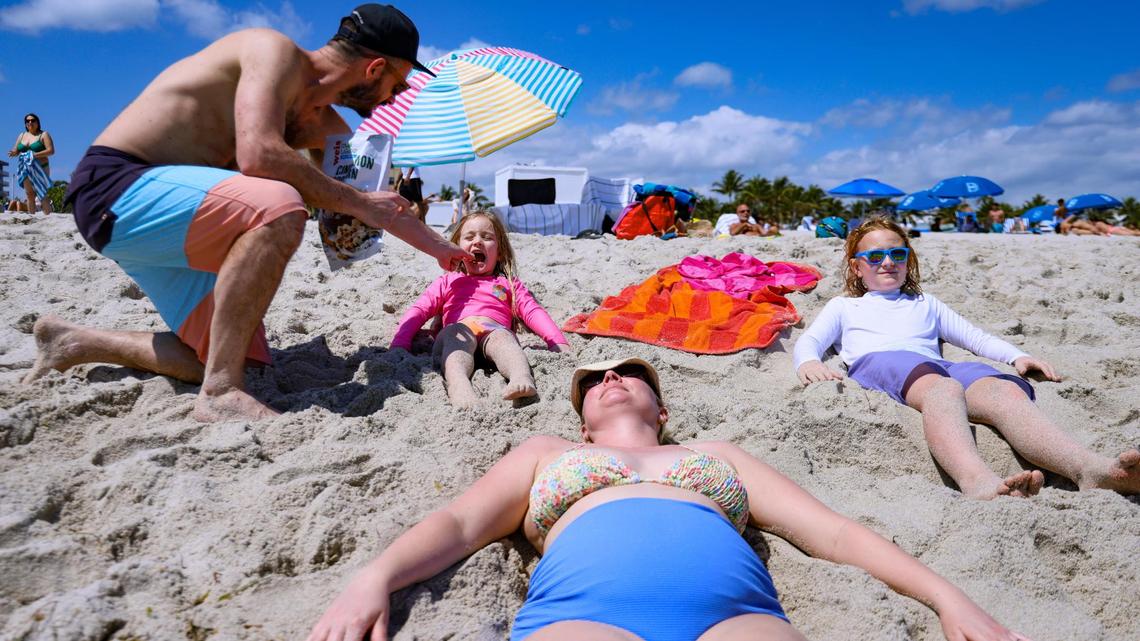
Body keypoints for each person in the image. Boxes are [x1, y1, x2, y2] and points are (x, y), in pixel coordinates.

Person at [307, 356, 1035, 641]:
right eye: (592, 378)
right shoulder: (547, 454)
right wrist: (374, 575)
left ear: (660, 405)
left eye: (626, 370)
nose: (608, 376)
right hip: (583, 617)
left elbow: (834, 535)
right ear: (580, 414)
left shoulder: (713, 455)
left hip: (739, 621)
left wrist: (948, 598)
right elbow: (460, 523)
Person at [21, 4, 472, 422]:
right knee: (279, 204)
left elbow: (372, 206)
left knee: (238, 356)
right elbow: (258, 154)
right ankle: (219, 394)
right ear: (375, 67)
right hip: (114, 190)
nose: (395, 98)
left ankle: (74, 341)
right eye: (398, 83)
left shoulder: (325, 125)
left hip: (174, 221)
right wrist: (354, 201)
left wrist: (442, 250)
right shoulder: (270, 49)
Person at [793, 217, 1140, 499]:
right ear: (856, 268)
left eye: (897, 255)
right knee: (943, 390)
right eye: (874, 257)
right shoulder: (845, 306)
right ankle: (976, 480)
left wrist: (1017, 356)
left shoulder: (925, 303)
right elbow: (812, 341)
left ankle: (1088, 469)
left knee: (1005, 393)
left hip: (936, 364)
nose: (887, 262)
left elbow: (973, 337)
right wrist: (808, 362)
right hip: (882, 361)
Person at [391, 211, 572, 407]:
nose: (477, 242)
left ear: (500, 252)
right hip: (458, 332)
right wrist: (400, 342)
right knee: (454, 336)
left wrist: (557, 342)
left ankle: (520, 376)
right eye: (469, 237)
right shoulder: (448, 281)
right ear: (455, 249)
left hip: (493, 332)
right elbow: (420, 309)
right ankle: (459, 385)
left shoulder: (508, 284)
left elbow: (532, 311)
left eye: (486, 237)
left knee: (504, 340)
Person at [8, 113, 55, 214]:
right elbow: (16, 150)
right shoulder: (22, 135)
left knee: (41, 193)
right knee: (29, 194)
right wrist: (14, 152)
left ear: (37, 122)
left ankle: (49, 217)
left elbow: (51, 151)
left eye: (33, 120)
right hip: (25, 167)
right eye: (27, 121)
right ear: (25, 124)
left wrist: (34, 154)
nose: (30, 122)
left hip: (41, 167)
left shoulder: (44, 134)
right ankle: (31, 217)